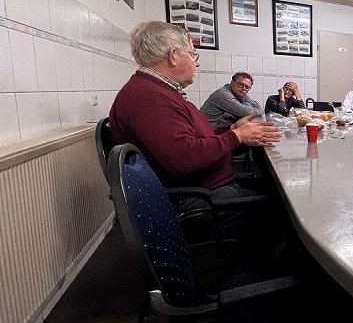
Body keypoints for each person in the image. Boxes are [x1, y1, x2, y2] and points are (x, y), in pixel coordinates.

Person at [110, 21, 282, 196]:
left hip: (211, 186)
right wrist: (237, 136)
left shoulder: (158, 91)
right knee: (283, 199)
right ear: (173, 56)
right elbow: (184, 157)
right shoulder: (150, 97)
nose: (197, 64)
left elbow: (195, 139)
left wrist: (232, 129)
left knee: (275, 185)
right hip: (203, 197)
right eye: (193, 55)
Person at [199, 71, 264, 128]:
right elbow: (247, 112)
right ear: (232, 82)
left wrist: (234, 114)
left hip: (220, 128)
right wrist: (246, 106)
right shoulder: (223, 94)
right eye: (240, 84)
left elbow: (259, 109)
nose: (243, 88)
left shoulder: (241, 94)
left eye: (247, 87)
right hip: (208, 131)